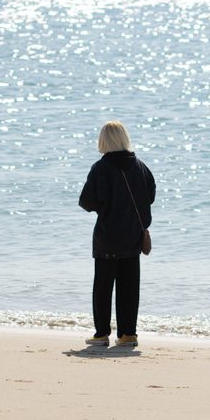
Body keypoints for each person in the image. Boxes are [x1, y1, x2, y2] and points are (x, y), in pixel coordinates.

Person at [78, 121, 155, 348]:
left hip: (108, 236)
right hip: (133, 235)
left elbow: (86, 202)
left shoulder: (100, 168)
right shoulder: (141, 166)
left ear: (104, 141)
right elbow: (150, 197)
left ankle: (101, 334)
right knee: (129, 287)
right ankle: (128, 335)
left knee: (103, 286)